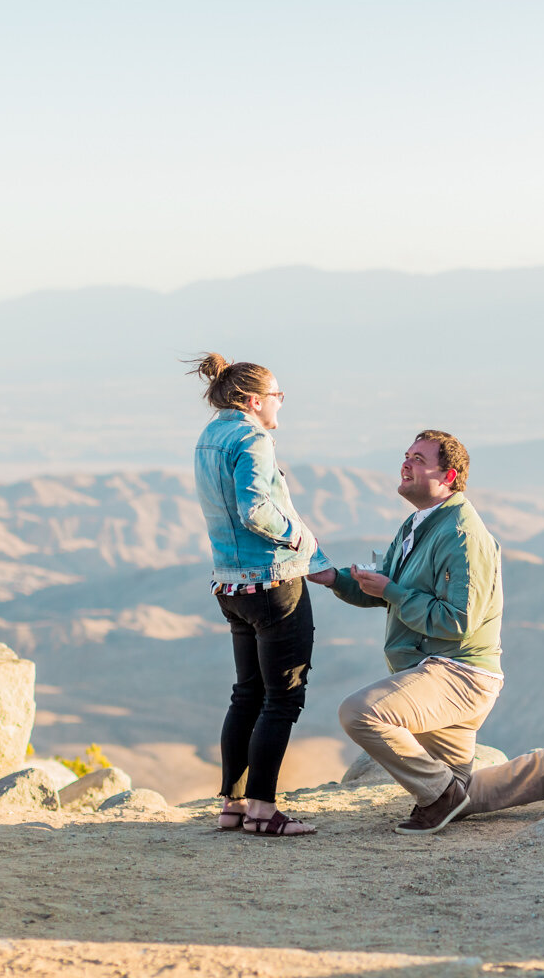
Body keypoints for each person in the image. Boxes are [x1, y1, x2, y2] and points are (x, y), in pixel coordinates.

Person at [307, 430, 544, 835]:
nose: (406, 464)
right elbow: (386, 587)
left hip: (460, 673)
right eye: (406, 456)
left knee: (359, 713)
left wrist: (391, 590)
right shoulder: (418, 523)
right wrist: (333, 577)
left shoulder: (462, 534)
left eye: (419, 460)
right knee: (461, 790)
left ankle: (441, 797)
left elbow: (458, 620)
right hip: (436, 669)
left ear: (449, 475)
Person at [188, 352, 332, 836]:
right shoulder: (253, 438)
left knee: (246, 693)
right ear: (253, 400)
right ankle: (263, 811)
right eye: (277, 395)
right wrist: (299, 538)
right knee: (282, 699)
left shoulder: (209, 437)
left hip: (229, 583)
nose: (280, 403)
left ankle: (232, 804)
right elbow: (255, 509)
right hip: (272, 582)